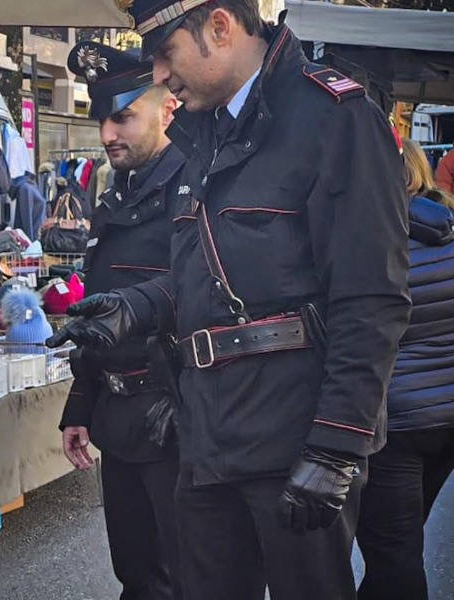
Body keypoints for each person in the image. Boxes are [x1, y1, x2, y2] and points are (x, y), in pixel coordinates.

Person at [49, 2, 410, 599]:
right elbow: (207, 279)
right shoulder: (206, 132)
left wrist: (336, 445)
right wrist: (134, 308)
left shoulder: (332, 117)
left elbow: (371, 298)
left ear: (220, 27)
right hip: (208, 431)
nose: (159, 75)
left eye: (166, 53)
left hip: (296, 436)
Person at [57, 41, 185, 600]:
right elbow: (100, 313)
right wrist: (81, 404)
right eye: (103, 120)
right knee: (135, 575)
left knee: (188, 579)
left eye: (124, 117)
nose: (108, 133)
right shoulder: (118, 194)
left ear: (167, 109)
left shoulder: (197, 188)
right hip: (121, 418)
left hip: (178, 420)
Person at [356, 139, 454, 600]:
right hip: (446, 415)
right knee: (400, 545)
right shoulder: (450, 228)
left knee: (393, 553)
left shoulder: (374, 240)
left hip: (395, 422)